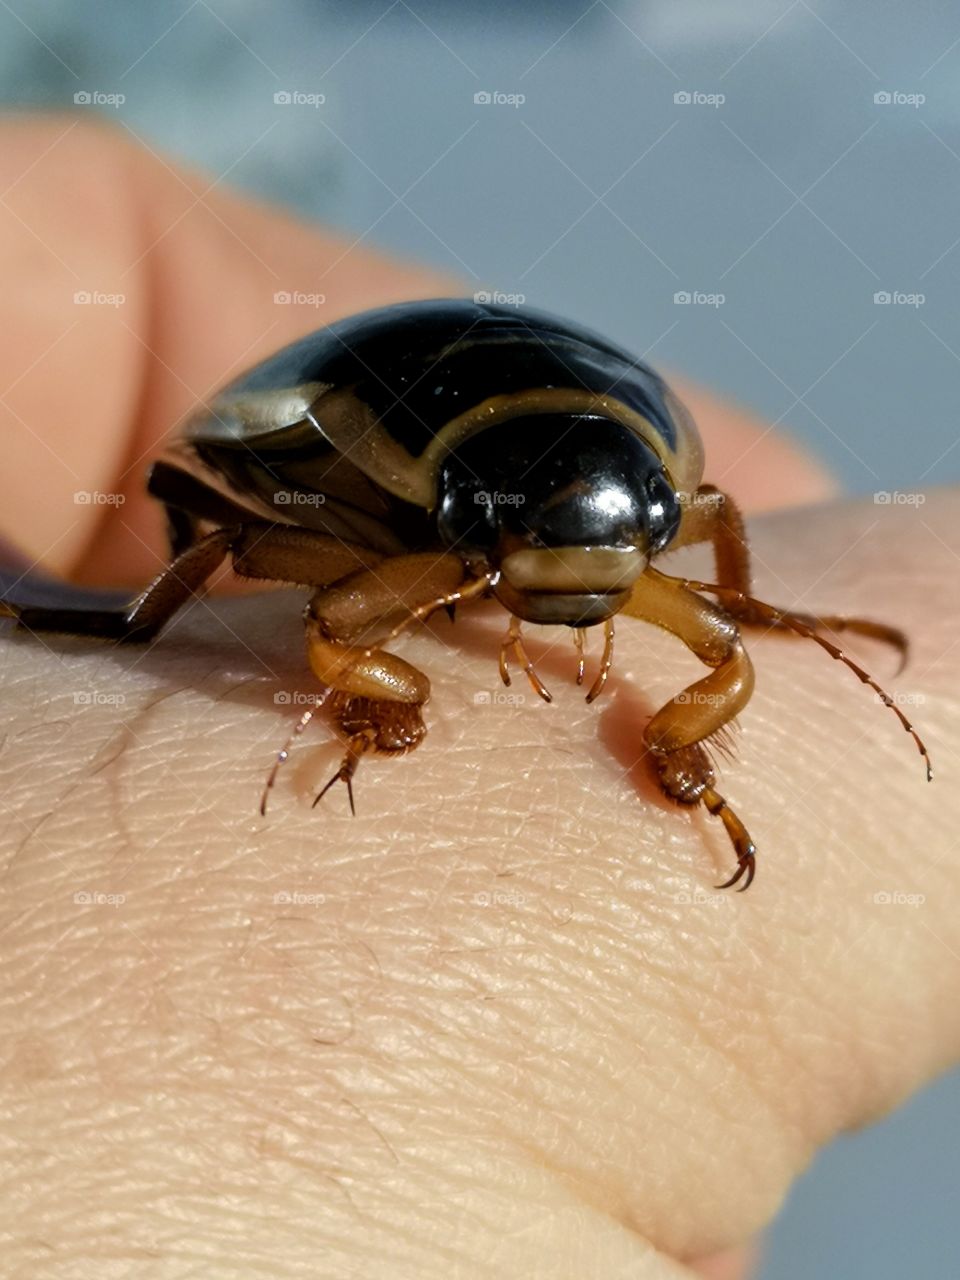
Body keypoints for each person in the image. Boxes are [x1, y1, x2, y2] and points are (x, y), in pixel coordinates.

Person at [0, 117, 955, 1280]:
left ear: (656, 510)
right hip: (368, 471)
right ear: (463, 521)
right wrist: (379, 693)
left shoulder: (671, 492)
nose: (573, 610)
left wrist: (692, 706)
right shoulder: (394, 483)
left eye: (619, 565)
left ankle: (665, 737)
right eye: (531, 563)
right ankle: (134, 618)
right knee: (270, 557)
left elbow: (716, 566)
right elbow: (325, 604)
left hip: (485, 478)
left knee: (713, 645)